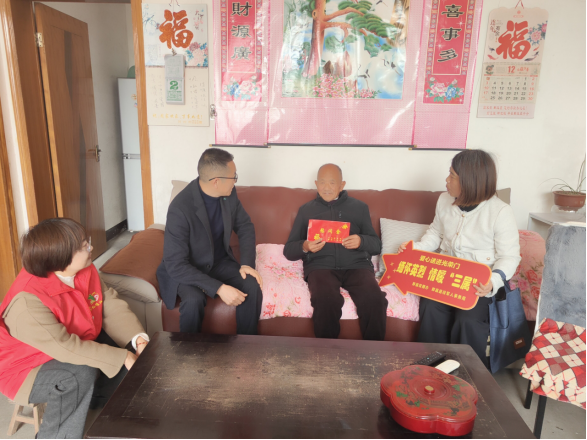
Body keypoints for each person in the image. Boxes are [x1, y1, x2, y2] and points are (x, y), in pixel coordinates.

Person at [0, 218, 149, 439]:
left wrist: (138, 339)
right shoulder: (27, 301)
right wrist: (122, 357)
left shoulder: (84, 268)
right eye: (84, 246)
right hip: (27, 367)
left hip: (76, 339)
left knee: (136, 360)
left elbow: (107, 302)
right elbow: (65, 348)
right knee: (77, 375)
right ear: (60, 257)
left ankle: (93, 397)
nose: (91, 248)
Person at [400, 150, 521, 367]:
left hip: (480, 283)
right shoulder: (444, 200)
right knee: (430, 308)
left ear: (469, 181)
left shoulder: (500, 212)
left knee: (468, 319)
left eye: (452, 176)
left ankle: (468, 373)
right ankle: (430, 367)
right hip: (446, 277)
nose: (446, 180)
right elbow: (435, 234)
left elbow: (509, 256)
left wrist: (492, 281)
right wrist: (415, 249)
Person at [157, 148, 263, 334]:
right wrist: (219, 288)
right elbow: (175, 264)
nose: (235, 181)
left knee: (251, 285)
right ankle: (190, 350)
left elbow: (245, 226)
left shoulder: (229, 195)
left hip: (218, 262)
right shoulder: (180, 208)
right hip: (188, 268)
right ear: (216, 182)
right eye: (233, 177)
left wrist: (247, 264)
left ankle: (247, 346)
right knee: (194, 300)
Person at [284, 164, 388, 340]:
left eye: (332, 183)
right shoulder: (306, 210)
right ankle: (327, 354)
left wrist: (361, 241)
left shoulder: (359, 208)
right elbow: (289, 250)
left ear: (342, 185)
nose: (327, 187)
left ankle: (373, 352)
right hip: (321, 266)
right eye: (322, 182)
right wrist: (305, 246)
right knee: (325, 300)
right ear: (316, 184)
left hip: (357, 266)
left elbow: (376, 245)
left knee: (375, 300)